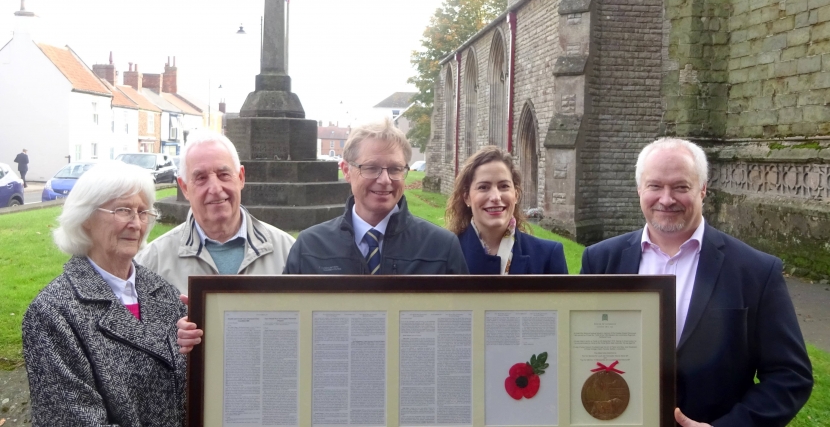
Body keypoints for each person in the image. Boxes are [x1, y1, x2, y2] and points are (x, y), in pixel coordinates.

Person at [580, 138, 813, 427]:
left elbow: (790, 376)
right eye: (655, 186)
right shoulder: (600, 261)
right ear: (639, 189)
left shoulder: (756, 270)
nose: (666, 199)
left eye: (681, 187)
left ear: (703, 189)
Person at [23, 160, 186, 426]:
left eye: (143, 212)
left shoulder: (164, 292)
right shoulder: (52, 313)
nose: (136, 223)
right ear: (86, 218)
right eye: (124, 210)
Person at [284, 118, 468, 274]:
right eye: (371, 168)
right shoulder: (310, 248)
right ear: (347, 171)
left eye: (395, 169)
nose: (385, 180)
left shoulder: (441, 248)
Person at [136, 130, 295, 294]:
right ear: (184, 188)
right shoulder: (151, 263)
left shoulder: (290, 253)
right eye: (201, 178)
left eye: (223, 174)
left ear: (241, 177)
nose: (215, 188)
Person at [446, 146, 568, 275]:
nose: (496, 197)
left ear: (516, 195)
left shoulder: (548, 256)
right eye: (483, 187)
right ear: (467, 197)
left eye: (504, 186)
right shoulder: (445, 254)